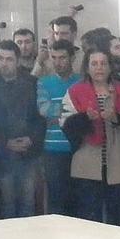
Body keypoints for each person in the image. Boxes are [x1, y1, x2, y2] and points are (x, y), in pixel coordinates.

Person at [60, 47, 120, 226]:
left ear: (110, 67)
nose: (99, 68)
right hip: (86, 163)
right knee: (88, 217)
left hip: (118, 163)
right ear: (87, 67)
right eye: (94, 64)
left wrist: (115, 117)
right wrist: (84, 118)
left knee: (119, 217)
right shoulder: (74, 91)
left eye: (103, 63)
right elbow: (65, 125)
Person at [0, 40, 44, 218]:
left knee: (28, 203)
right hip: (2, 153)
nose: (4, 63)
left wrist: (31, 139)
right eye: (0, 58)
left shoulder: (32, 82)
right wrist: (5, 142)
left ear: (17, 61)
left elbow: (39, 117)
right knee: (7, 204)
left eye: (9, 59)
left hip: (28, 151)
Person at [37, 40, 82, 216]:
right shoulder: (44, 82)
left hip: (79, 148)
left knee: (78, 200)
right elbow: (43, 109)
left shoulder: (82, 82)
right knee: (56, 201)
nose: (57, 62)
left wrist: (58, 115)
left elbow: (85, 110)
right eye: (53, 58)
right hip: (53, 149)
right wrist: (72, 110)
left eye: (62, 57)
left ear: (72, 57)